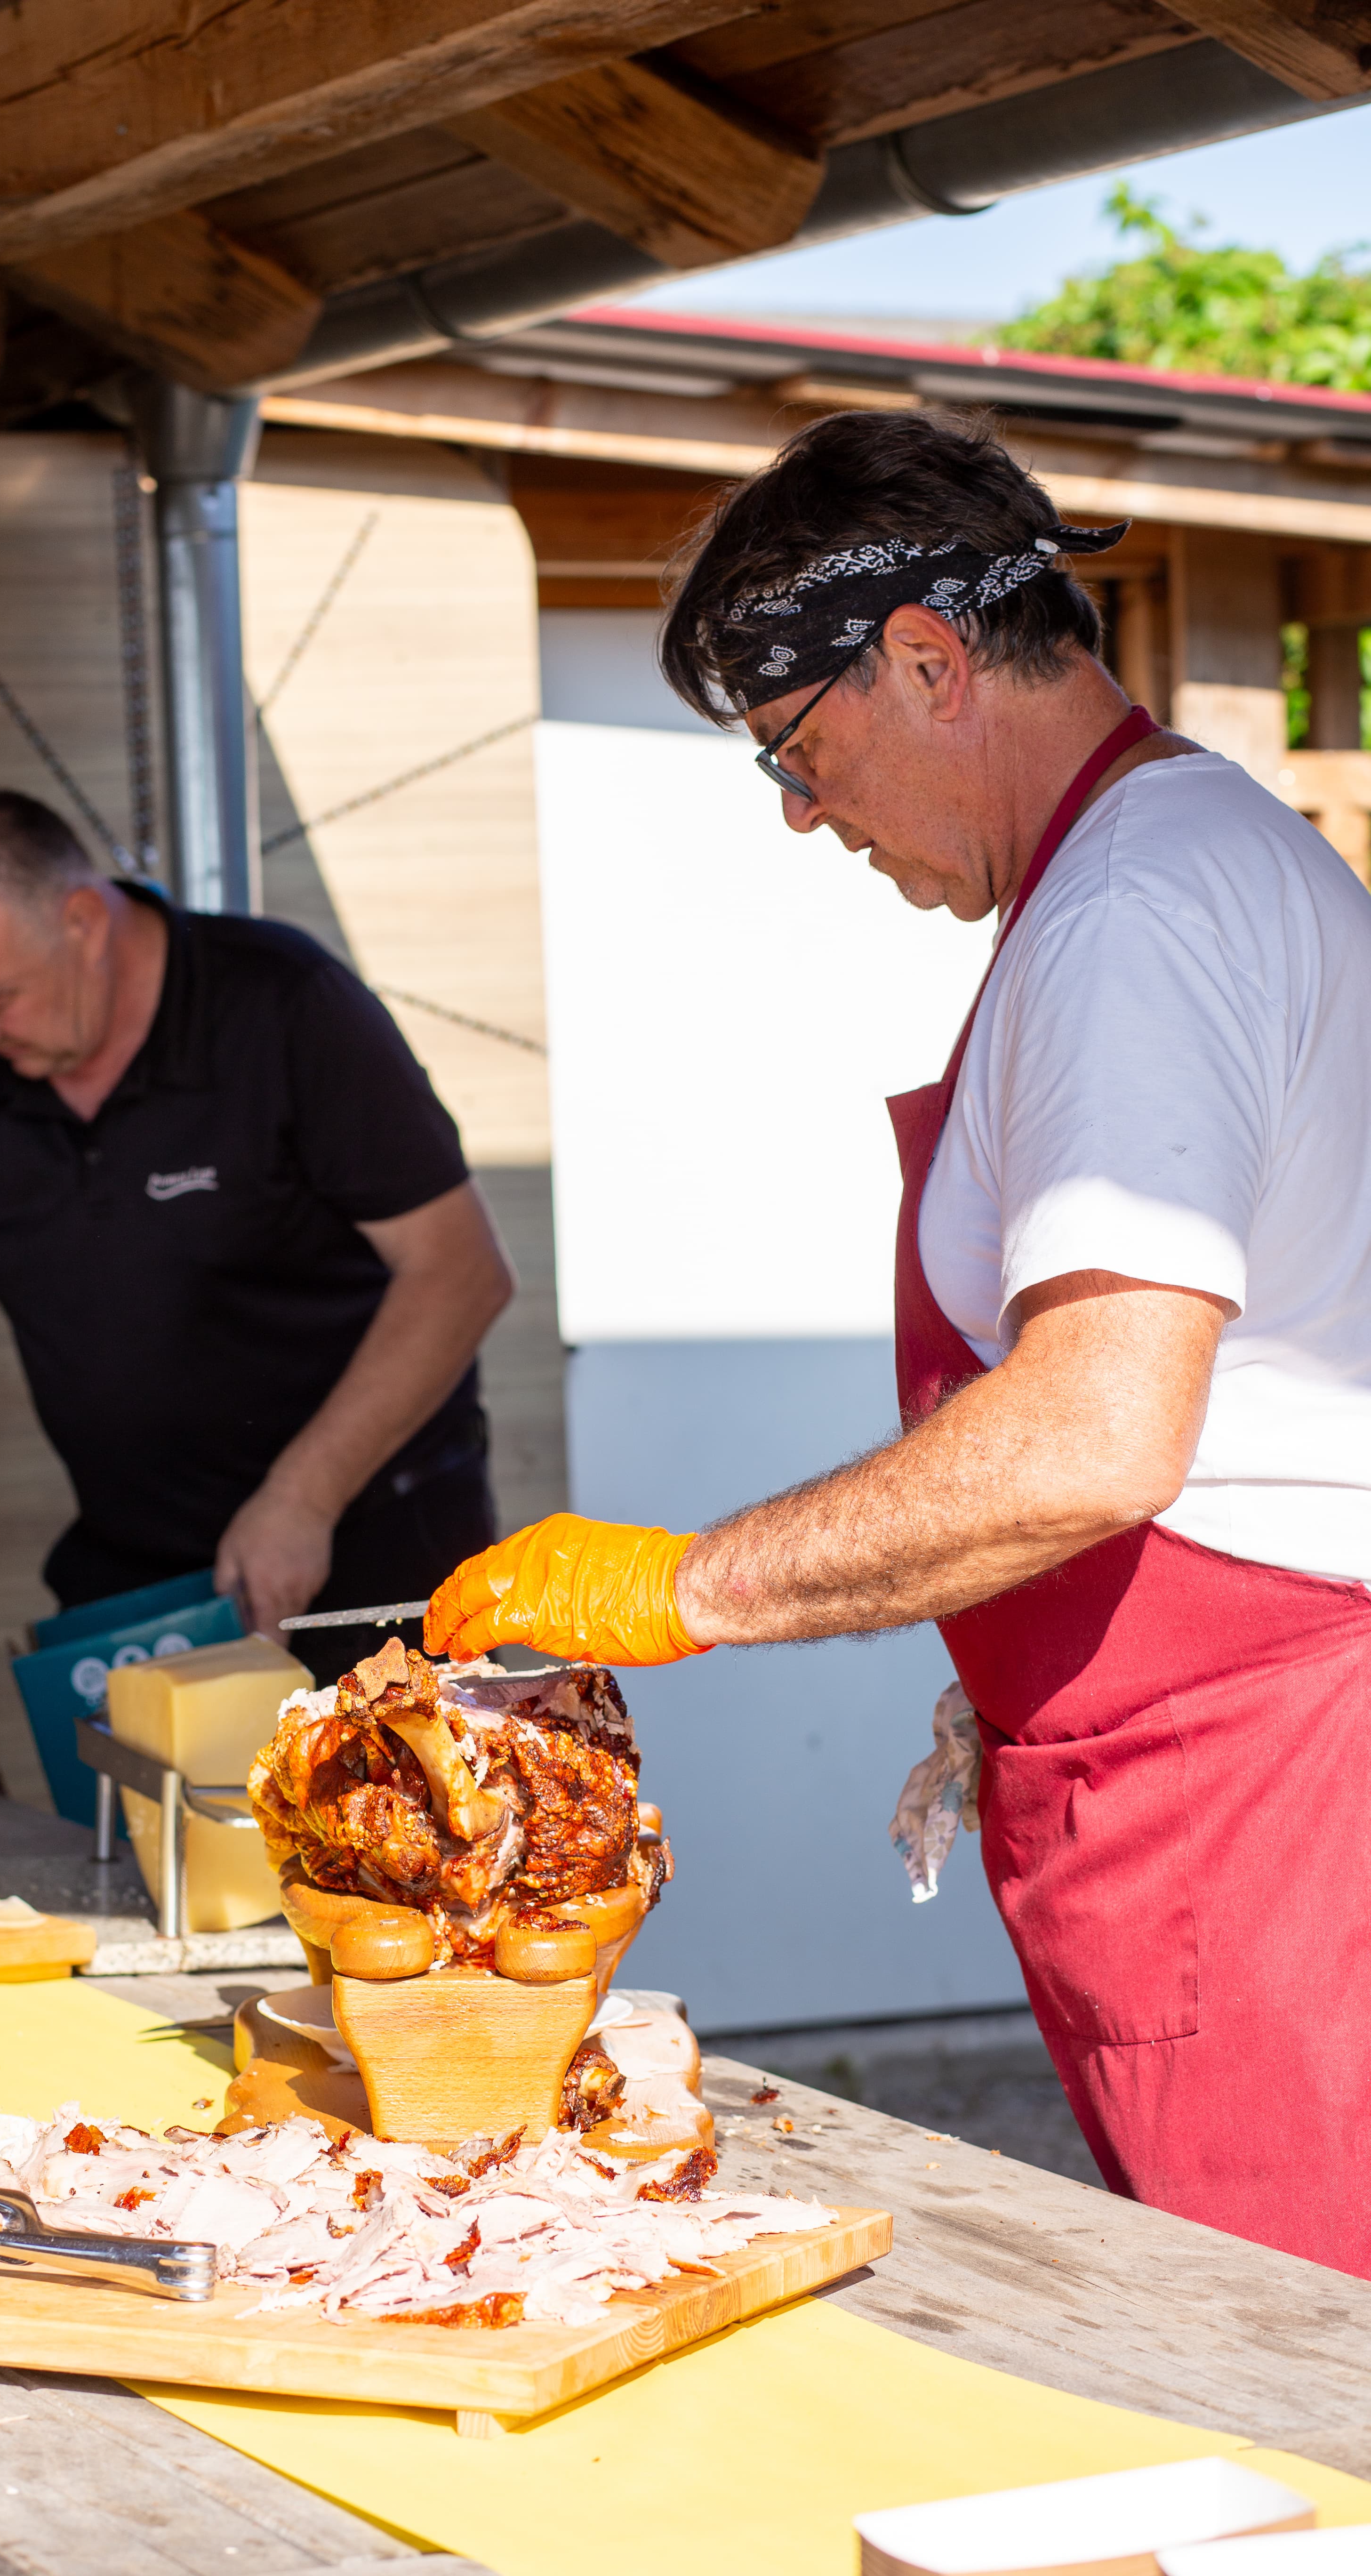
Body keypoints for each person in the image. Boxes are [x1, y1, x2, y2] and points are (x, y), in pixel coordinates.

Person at [426, 411, 1371, 2277]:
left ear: (928, 660)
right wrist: (1006, 1648)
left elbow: (1094, 1435)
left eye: (796, 749)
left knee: (1301, 2373)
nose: (800, 812)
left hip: (1255, 1795)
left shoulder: (1135, 911)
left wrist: (684, 1584)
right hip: (1199, 1755)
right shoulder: (1178, 864)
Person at [0, 791, 513, 1651]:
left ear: (83, 923)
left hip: (372, 1548)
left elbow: (460, 1271)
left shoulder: (284, 1006)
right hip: (142, 1572)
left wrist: (304, 1497)